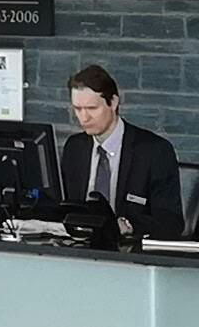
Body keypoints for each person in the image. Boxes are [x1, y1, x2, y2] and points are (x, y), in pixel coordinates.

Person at [54, 65, 180, 237]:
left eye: (92, 108)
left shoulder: (154, 151)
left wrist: (128, 226)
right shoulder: (74, 147)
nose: (84, 118)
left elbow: (170, 222)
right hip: (80, 247)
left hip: (130, 253)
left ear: (113, 102)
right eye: (77, 109)